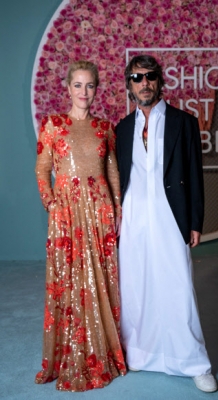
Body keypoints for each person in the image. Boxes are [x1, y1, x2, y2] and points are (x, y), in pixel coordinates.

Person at [116, 55, 218, 393]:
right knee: (135, 287)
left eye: (150, 77)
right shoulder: (121, 129)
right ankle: (139, 354)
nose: (143, 83)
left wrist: (195, 220)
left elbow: (194, 176)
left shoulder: (184, 122)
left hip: (170, 215)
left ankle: (193, 362)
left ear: (160, 81)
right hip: (132, 219)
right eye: (136, 78)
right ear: (129, 85)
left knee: (178, 287)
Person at [35, 60, 126, 392]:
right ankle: (71, 354)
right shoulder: (54, 125)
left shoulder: (105, 128)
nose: (83, 92)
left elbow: (113, 171)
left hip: (99, 211)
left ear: (96, 89)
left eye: (90, 86)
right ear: (68, 87)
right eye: (78, 85)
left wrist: (116, 207)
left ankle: (103, 352)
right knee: (71, 279)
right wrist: (51, 202)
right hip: (67, 213)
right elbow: (42, 168)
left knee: (100, 279)